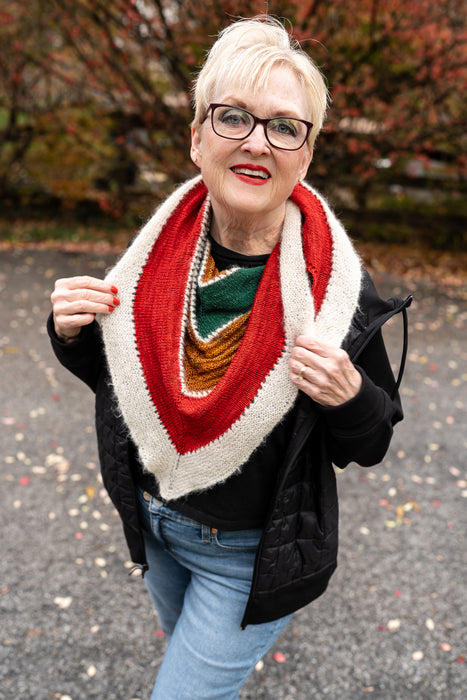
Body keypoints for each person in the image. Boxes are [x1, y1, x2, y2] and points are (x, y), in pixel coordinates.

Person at [48, 16, 411, 700]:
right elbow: (119, 384)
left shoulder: (338, 291)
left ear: (305, 153)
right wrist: (67, 333)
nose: (256, 142)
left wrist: (349, 397)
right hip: (153, 529)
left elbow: (367, 442)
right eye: (233, 117)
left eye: (283, 126)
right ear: (196, 137)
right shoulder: (152, 257)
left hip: (246, 559)